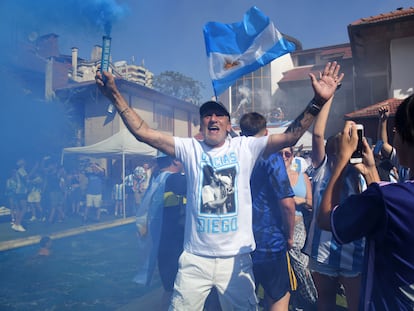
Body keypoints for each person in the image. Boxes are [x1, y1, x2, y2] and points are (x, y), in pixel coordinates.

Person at [96, 61, 343, 310]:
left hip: (236, 259)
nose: (212, 118)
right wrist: (115, 96)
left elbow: (290, 136)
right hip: (194, 260)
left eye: (218, 115)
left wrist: (318, 101)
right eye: (207, 115)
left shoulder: (244, 148)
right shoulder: (189, 149)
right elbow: (144, 133)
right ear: (201, 124)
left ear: (228, 124)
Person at [317, 93, 414, 310]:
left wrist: (342, 161)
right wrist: (371, 171)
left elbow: (325, 218)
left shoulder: (387, 199)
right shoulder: (389, 199)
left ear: (406, 139)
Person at [303, 96, 365, 311]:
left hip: (353, 253)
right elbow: (318, 133)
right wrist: (327, 97)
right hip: (322, 252)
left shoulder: (361, 173)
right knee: (326, 304)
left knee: (357, 306)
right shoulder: (322, 169)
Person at [239, 112, 296, 311]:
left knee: (243, 298)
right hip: (269, 242)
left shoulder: (233, 153)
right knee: (278, 296)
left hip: (239, 241)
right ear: (267, 132)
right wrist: (289, 237)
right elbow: (287, 204)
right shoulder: (270, 155)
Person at [280, 146, 317, 311]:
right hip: (280, 227)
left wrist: (298, 200)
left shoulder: (303, 177)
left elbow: (311, 203)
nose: (284, 156)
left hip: (300, 226)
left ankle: (312, 299)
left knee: (302, 266)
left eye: (287, 153)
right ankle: (294, 302)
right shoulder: (273, 177)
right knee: (285, 270)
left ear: (292, 156)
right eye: (279, 153)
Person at [376, 104, 409, 181]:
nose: (394, 131)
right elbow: (382, 144)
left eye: (397, 130)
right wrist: (383, 121)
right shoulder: (403, 160)